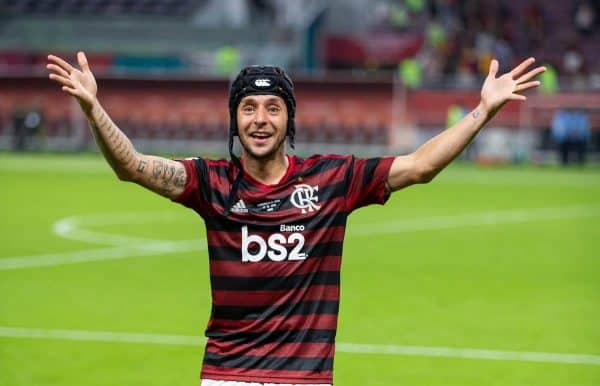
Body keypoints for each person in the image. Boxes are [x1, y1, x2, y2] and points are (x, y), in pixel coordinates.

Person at [46, 52, 545, 386]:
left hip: (303, 378)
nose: (259, 119)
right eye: (247, 108)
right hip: (226, 376)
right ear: (234, 120)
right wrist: (93, 109)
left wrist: (482, 111)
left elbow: (420, 166)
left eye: (271, 108)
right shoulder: (210, 181)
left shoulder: (333, 179)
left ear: (289, 119)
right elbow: (133, 166)